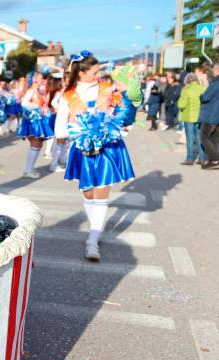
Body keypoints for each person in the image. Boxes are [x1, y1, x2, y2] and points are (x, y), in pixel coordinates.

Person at [55, 51, 137, 262]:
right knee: (88, 194)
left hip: (107, 148)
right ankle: (96, 230)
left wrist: (120, 127)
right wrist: (77, 131)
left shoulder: (108, 90)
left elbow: (123, 116)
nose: (98, 74)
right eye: (94, 72)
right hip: (82, 149)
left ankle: (92, 241)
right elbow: (59, 129)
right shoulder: (67, 95)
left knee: (101, 193)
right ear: (81, 73)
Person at [18, 71, 54, 178]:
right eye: (40, 78)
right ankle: (28, 170)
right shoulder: (31, 91)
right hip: (33, 121)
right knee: (35, 144)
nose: (42, 80)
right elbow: (24, 103)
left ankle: (30, 168)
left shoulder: (38, 91)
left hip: (38, 120)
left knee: (38, 144)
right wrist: (37, 107)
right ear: (34, 79)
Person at [177, 72, 206, 165]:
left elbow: (181, 104)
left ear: (187, 81)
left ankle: (189, 159)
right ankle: (202, 158)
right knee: (199, 137)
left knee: (190, 138)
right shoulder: (203, 89)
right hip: (200, 116)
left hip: (188, 116)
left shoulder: (186, 89)